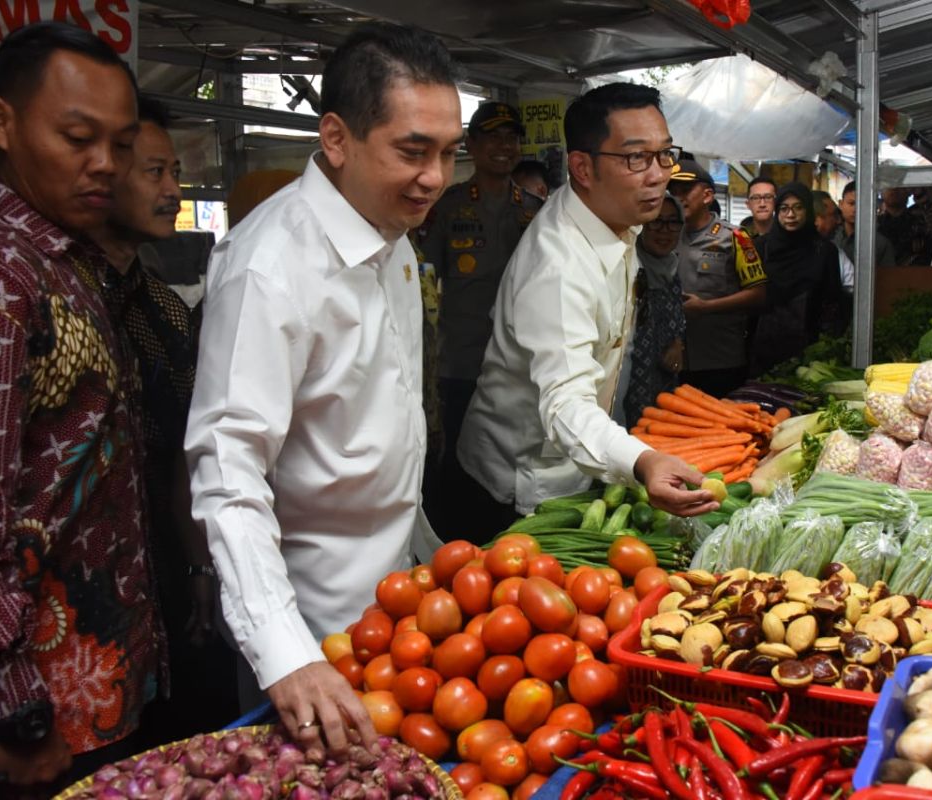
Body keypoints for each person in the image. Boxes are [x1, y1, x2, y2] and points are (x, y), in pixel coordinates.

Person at [185, 22, 462, 756]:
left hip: (398, 607)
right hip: (311, 629)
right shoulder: (270, 266)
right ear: (336, 139)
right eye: (413, 150)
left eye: (447, 153)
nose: (435, 176)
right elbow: (227, 470)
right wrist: (288, 655)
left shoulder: (394, 236)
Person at [0, 21, 163, 789]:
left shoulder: (67, 257)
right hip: (46, 704)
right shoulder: (1, 278)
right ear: (2, 124)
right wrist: (16, 712)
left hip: (103, 672)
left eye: (120, 144)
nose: (105, 166)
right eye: (78, 137)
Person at [457, 82, 717, 524]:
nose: (658, 174)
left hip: (578, 464)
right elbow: (565, 401)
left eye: (663, 154)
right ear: (581, 167)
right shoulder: (557, 266)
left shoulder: (618, 216)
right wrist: (643, 462)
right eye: (636, 158)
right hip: (519, 481)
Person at [86, 96, 238, 745]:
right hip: (88, 599)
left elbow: (189, 445)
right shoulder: (62, 297)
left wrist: (201, 566)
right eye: (155, 172)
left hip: (172, 574)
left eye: (174, 172)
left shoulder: (168, 313)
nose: (174, 190)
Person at [418, 102, 543, 537]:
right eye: (492, 137)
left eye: (511, 138)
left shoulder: (537, 211)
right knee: (454, 465)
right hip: (460, 362)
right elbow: (423, 283)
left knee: (510, 460)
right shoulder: (447, 209)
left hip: (518, 365)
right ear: (471, 144)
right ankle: (454, 545)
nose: (504, 147)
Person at [668, 159, 767, 399]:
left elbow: (759, 294)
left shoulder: (735, 237)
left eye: (686, 191)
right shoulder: (663, 235)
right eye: (673, 191)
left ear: (708, 195)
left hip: (721, 359)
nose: (678, 197)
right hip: (673, 360)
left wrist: (707, 307)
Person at [751, 182, 847, 375]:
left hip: (810, 350)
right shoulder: (760, 247)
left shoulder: (824, 250)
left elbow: (832, 300)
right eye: (784, 209)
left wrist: (826, 347)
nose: (791, 215)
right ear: (777, 212)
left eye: (798, 208)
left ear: (808, 211)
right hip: (763, 347)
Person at [623, 194, 687, 426]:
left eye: (673, 222)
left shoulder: (671, 267)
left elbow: (677, 315)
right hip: (628, 379)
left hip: (664, 379)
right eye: (656, 221)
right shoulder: (628, 267)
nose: (664, 230)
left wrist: (677, 343)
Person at [833, 181, 897, 269]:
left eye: (861, 205)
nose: (855, 209)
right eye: (851, 203)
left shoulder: (880, 243)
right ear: (841, 204)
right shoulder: (831, 237)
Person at [877, 187, 932, 266]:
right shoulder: (873, 227)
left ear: (909, 192)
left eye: (899, 186)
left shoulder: (926, 225)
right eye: (888, 186)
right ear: (881, 193)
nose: (894, 189)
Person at [739, 175, 776, 243]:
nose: (762, 204)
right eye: (756, 198)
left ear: (776, 202)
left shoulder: (788, 235)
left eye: (768, 197)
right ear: (748, 204)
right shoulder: (738, 238)